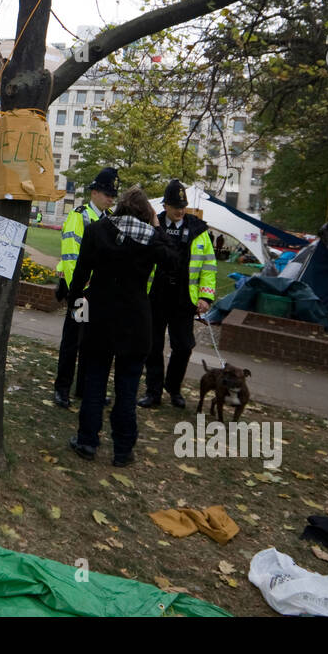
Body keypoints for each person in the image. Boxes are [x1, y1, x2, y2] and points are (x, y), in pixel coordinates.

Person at [65, 187, 175, 466]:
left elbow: (79, 277)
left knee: (94, 383)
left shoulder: (97, 231)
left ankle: (88, 441)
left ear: (121, 207)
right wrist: (158, 227)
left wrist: (77, 313)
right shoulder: (151, 238)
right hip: (135, 322)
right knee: (127, 389)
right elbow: (174, 261)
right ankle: (123, 449)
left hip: (99, 318)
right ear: (146, 214)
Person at [138, 179, 217, 409]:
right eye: (175, 207)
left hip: (184, 298)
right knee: (152, 346)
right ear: (165, 206)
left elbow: (209, 266)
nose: (180, 211)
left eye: (183, 206)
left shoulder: (198, 229)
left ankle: (172, 387)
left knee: (183, 346)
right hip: (155, 296)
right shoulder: (153, 224)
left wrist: (206, 296)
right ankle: (153, 392)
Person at [53, 167, 118, 409]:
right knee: (72, 342)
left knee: (91, 344)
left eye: (113, 194)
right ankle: (62, 389)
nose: (110, 198)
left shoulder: (110, 219)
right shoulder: (79, 216)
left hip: (100, 295)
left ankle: (83, 389)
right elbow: (71, 257)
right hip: (82, 293)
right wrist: (78, 291)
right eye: (106, 193)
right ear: (94, 192)